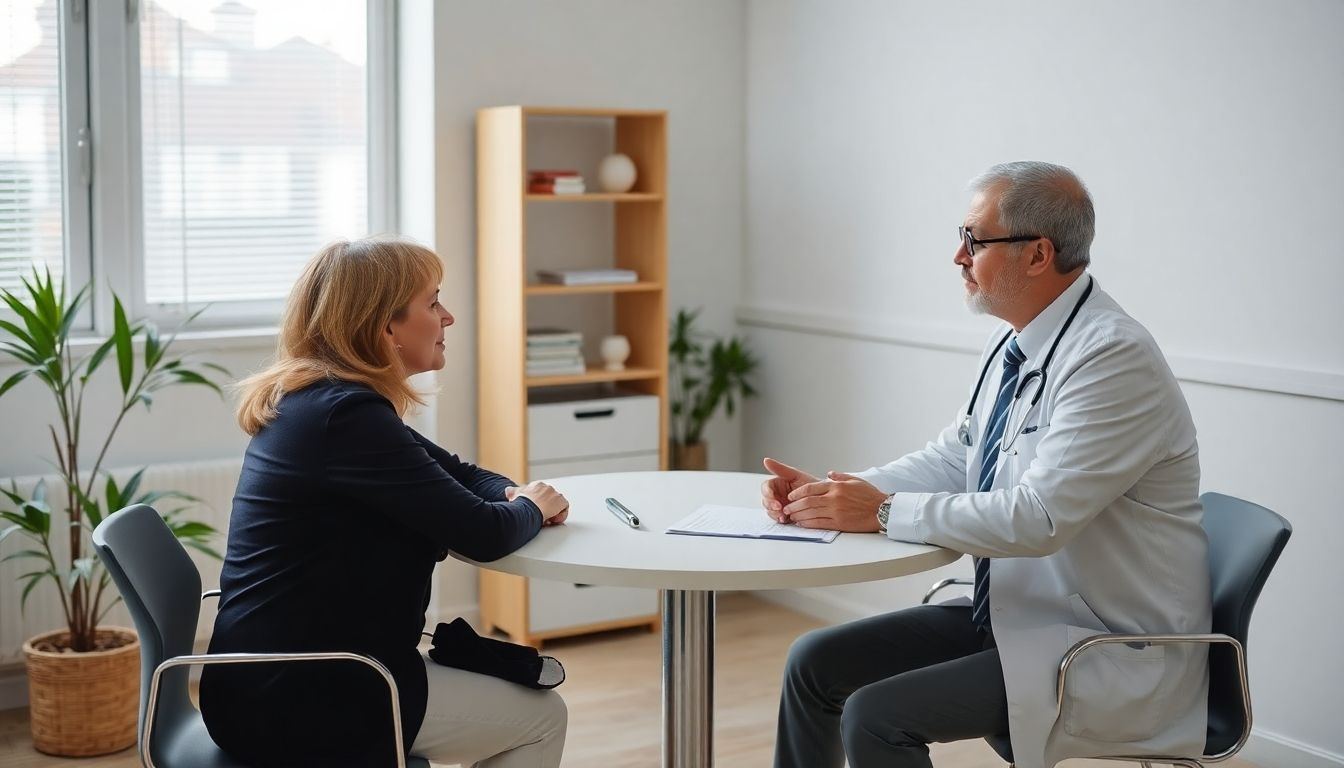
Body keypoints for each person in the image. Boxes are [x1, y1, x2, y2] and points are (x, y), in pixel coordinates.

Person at [763, 162, 1211, 768]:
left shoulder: (1112, 357)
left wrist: (884, 512)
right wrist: (840, 493)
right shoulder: (1017, 341)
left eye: (974, 239)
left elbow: (1039, 517)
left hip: (1102, 643)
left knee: (877, 717)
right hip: (1018, 614)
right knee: (813, 663)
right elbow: (957, 455)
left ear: (1037, 254)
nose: (958, 256)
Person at [199, 238, 569, 768]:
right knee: (542, 719)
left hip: (279, 678)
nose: (449, 317)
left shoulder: (323, 402)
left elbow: (462, 474)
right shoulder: (346, 419)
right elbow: (483, 535)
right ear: (385, 327)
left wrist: (517, 496)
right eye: (433, 303)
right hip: (305, 696)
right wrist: (531, 505)